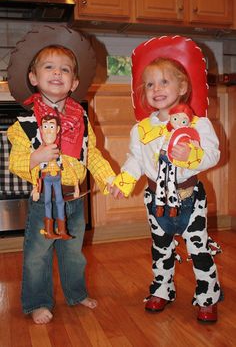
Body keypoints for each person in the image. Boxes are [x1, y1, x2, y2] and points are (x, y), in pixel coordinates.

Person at [7, 25, 115, 324]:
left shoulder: (80, 117)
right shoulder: (25, 123)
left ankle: (76, 293)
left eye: (65, 69)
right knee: (38, 254)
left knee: (73, 252)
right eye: (49, 67)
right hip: (45, 199)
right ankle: (37, 302)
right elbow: (15, 162)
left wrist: (108, 179)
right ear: (34, 77)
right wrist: (36, 156)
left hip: (76, 196)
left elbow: (91, 152)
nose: (57, 73)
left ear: (74, 82)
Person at [111, 36, 222, 322]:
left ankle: (207, 295)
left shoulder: (199, 124)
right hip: (155, 200)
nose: (156, 89)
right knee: (161, 248)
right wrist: (124, 181)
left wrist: (191, 154)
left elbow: (213, 155)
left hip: (190, 199)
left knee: (198, 249)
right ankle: (162, 288)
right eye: (149, 84)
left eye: (164, 82)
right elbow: (135, 159)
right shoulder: (142, 129)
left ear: (182, 87)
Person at [155, 103, 200, 218]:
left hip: (173, 160)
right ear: (170, 118)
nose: (179, 123)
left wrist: (195, 146)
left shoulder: (186, 136)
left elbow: (194, 148)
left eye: (183, 121)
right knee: (160, 180)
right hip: (162, 157)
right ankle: (159, 204)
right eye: (175, 118)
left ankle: (173, 206)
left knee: (171, 182)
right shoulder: (167, 133)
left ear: (189, 123)